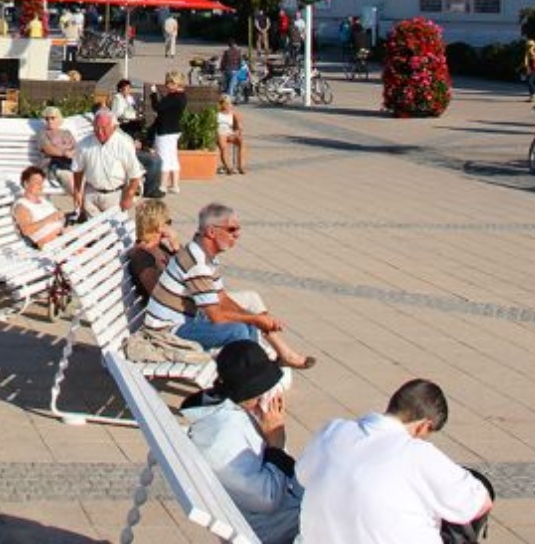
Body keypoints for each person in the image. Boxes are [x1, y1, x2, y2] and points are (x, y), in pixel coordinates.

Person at [297, 379, 493, 544]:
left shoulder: (333, 431)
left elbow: (301, 476)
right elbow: (479, 502)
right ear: (424, 426)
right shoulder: (417, 453)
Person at [141, 202, 314, 367]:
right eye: (231, 230)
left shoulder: (206, 254)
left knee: (247, 320)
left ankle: (257, 368)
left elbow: (221, 298)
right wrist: (256, 319)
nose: (237, 234)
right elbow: (217, 316)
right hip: (167, 330)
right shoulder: (196, 263)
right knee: (237, 330)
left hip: (187, 319)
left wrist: (254, 318)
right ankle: (253, 373)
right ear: (211, 232)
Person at [183, 340, 303, 544]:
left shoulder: (230, 413)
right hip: (278, 529)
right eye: (259, 392)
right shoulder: (220, 435)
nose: (265, 397)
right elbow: (267, 499)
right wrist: (276, 443)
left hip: (285, 515)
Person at [71, 109, 145, 218]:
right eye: (97, 128)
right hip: (91, 193)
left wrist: (128, 197)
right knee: (94, 231)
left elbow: (135, 175)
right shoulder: (84, 144)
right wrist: (77, 192)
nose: (100, 132)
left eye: (104, 128)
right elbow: (78, 170)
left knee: (116, 232)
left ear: (114, 128)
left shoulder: (123, 144)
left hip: (116, 195)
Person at [127, 199, 178, 300]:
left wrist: (176, 247)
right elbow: (161, 297)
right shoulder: (142, 258)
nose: (170, 226)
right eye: (168, 222)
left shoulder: (160, 246)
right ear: (159, 226)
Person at [148, 72, 188, 194]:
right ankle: (175, 185)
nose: (167, 85)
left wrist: (154, 94)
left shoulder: (173, 97)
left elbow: (157, 107)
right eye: (167, 82)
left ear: (177, 83)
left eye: (170, 82)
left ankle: (162, 185)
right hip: (174, 130)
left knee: (164, 158)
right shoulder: (182, 96)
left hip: (165, 130)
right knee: (172, 157)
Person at [12, 165, 67, 248]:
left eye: (41, 183)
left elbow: (55, 217)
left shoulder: (44, 201)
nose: (40, 186)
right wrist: (49, 218)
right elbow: (27, 230)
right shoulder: (22, 206)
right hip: (53, 244)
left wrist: (60, 216)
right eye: (37, 182)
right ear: (26, 184)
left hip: (64, 236)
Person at [38, 106, 78, 190]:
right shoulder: (42, 134)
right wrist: (65, 152)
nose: (49, 121)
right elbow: (48, 149)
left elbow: (77, 148)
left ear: (59, 119)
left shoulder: (67, 132)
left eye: (52, 118)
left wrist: (71, 152)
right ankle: (80, 200)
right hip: (53, 166)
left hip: (70, 164)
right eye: (47, 119)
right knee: (70, 178)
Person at [216, 94, 245, 175]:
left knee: (241, 141)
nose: (229, 105)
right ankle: (227, 167)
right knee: (223, 146)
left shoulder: (233, 113)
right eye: (226, 103)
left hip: (229, 133)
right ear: (221, 104)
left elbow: (238, 126)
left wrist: (239, 127)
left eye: (230, 103)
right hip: (219, 132)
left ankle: (241, 166)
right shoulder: (216, 113)